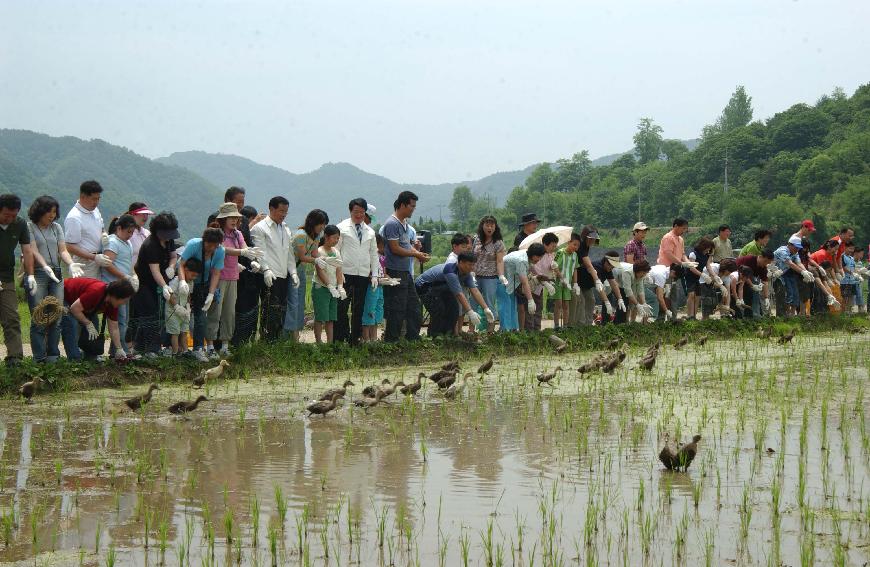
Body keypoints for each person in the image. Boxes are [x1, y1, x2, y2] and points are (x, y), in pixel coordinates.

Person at [25, 196, 82, 363]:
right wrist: (44, 266)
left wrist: (71, 263)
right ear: (39, 211)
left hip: (56, 273)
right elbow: (33, 250)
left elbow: (62, 250)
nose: (52, 215)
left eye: (54, 212)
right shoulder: (30, 227)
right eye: (49, 212)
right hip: (38, 273)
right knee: (39, 316)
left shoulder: (56, 227)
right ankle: (39, 358)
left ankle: (53, 355)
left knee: (56, 315)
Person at [210, 203, 262, 356]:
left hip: (233, 276)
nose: (234, 221)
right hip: (218, 277)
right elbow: (222, 249)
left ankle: (225, 345)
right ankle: (211, 346)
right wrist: (243, 252)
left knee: (229, 312)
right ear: (223, 219)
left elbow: (245, 247)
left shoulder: (237, 234)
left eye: (236, 217)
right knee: (215, 311)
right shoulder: (217, 233)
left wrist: (252, 259)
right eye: (230, 218)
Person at [129, 211, 180, 356]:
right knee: (149, 314)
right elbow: (155, 271)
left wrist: (171, 266)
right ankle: (152, 349)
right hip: (143, 284)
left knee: (155, 314)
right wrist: (164, 286)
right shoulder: (151, 245)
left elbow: (173, 256)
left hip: (158, 282)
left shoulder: (168, 241)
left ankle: (139, 347)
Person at [251, 196, 300, 341]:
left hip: (283, 274)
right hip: (269, 275)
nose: (283, 214)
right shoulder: (260, 228)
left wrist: (293, 272)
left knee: (280, 309)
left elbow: (289, 252)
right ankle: (266, 340)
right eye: (281, 211)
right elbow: (260, 252)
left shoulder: (284, 228)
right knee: (269, 308)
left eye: (286, 211)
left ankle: (276, 339)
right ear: (271, 209)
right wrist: (266, 269)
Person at [382, 191, 429, 342]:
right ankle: (392, 340)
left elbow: (406, 245)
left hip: (405, 271)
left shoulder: (404, 225)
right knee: (397, 307)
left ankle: (412, 338)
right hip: (395, 270)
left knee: (414, 306)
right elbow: (395, 248)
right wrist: (415, 255)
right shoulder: (392, 224)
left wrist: (418, 252)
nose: (413, 209)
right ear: (402, 205)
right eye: (411, 206)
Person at [415, 252, 494, 337]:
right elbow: (459, 294)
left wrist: (486, 309)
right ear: (460, 263)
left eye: (473, 265)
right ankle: (434, 337)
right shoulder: (450, 271)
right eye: (469, 265)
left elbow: (475, 290)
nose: (472, 268)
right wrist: (470, 312)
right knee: (438, 310)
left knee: (454, 310)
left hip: (442, 288)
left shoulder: (467, 274)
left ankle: (449, 335)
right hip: (425, 286)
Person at [60, 278, 135, 361]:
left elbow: (114, 327)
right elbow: (74, 309)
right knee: (71, 325)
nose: (124, 304)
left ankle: (90, 357)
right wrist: (87, 323)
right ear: (116, 296)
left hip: (80, 305)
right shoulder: (96, 291)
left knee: (94, 327)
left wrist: (119, 349)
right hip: (65, 296)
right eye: (124, 301)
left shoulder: (112, 304)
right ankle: (74, 360)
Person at [179, 227, 226, 361]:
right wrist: (183, 282)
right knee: (182, 315)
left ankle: (198, 348)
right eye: (209, 244)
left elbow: (216, 273)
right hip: (187, 282)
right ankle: (177, 349)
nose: (211, 248)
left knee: (201, 317)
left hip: (204, 284)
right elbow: (181, 264)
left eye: (215, 245)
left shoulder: (220, 251)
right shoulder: (194, 245)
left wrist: (211, 294)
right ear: (204, 241)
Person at [335, 198, 378, 345]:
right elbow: (336, 251)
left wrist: (375, 274)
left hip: (362, 274)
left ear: (365, 213)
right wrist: (337, 272)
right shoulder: (341, 228)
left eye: (362, 212)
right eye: (356, 212)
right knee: (342, 306)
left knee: (358, 308)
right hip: (345, 273)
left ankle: (355, 339)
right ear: (350, 211)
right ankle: (340, 338)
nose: (359, 215)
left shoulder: (370, 231)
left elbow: (373, 254)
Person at [0, 194, 35, 366]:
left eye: (13, 215)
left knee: (12, 317)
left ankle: (15, 358)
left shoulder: (19, 224)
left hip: (6, 277)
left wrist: (31, 275)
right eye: (6, 215)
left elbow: (27, 251)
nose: (10, 219)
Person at [286, 209, 328, 341]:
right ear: (313, 222)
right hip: (292, 271)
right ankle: (290, 335)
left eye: (324, 224)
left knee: (300, 303)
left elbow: (315, 254)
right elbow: (302, 257)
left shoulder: (315, 237)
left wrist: (327, 259)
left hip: (301, 272)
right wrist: (316, 260)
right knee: (293, 302)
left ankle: (296, 335)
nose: (322, 227)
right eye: (321, 223)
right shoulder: (300, 235)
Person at [102, 214, 138, 359]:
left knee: (124, 320)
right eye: (128, 231)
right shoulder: (113, 242)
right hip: (115, 287)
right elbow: (108, 264)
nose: (130, 235)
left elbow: (128, 264)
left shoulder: (127, 243)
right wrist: (124, 276)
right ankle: (121, 350)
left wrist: (133, 275)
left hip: (125, 286)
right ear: (119, 228)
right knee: (120, 320)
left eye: (132, 232)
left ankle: (116, 350)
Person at [64, 180, 111, 278]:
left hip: (100, 259)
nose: (96, 202)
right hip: (84, 263)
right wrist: (94, 257)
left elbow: (101, 228)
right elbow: (70, 246)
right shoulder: (74, 217)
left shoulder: (95, 210)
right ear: (83, 196)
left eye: (98, 199)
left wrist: (104, 234)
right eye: (93, 199)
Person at [470, 216, 507, 333]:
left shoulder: (498, 243)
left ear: (495, 227)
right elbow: (472, 256)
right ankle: (471, 331)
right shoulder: (476, 239)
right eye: (487, 225)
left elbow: (500, 261)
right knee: (472, 304)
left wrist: (501, 275)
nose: (489, 227)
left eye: (492, 225)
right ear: (482, 226)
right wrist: (471, 271)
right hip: (475, 277)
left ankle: (490, 332)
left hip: (490, 278)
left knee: (489, 304)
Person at [233, 204, 261, 345]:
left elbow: (247, 244)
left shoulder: (242, 225)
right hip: (231, 275)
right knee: (234, 310)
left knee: (249, 307)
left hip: (247, 276)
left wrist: (254, 261)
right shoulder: (225, 232)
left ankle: (246, 340)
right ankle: (232, 342)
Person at [501, 243, 546, 331]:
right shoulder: (522, 260)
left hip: (511, 280)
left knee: (513, 308)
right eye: (538, 257)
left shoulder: (527, 254)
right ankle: (505, 331)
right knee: (507, 307)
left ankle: (513, 330)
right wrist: (530, 300)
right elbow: (525, 282)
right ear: (533, 255)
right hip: (503, 280)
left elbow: (532, 269)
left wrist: (544, 282)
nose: (539, 260)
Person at [312, 225, 344, 344]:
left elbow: (339, 270)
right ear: (326, 236)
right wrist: (330, 286)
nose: (336, 241)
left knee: (331, 318)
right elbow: (320, 272)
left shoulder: (336, 251)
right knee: (321, 317)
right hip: (322, 288)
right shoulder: (319, 251)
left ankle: (329, 343)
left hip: (334, 289)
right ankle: (319, 342)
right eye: (334, 238)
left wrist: (340, 286)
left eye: (338, 238)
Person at [165, 257, 200, 356]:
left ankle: (185, 351)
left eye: (195, 276)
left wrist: (188, 307)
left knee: (184, 331)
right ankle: (176, 353)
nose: (193, 278)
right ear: (185, 270)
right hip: (172, 310)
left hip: (184, 311)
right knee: (175, 332)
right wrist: (176, 306)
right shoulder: (175, 281)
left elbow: (189, 295)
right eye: (192, 275)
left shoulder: (190, 283)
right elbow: (169, 294)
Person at [525, 233, 560, 331]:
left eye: (555, 246)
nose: (554, 248)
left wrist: (551, 276)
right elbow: (535, 269)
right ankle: (530, 331)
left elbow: (549, 270)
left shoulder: (550, 255)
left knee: (539, 309)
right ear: (545, 244)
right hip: (533, 285)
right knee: (532, 309)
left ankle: (537, 330)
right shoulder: (539, 254)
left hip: (541, 286)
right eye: (553, 246)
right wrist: (545, 282)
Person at [571, 225, 605, 326]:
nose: (592, 241)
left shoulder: (587, 246)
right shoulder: (580, 246)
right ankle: (580, 325)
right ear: (585, 236)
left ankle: (588, 323)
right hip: (575, 278)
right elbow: (589, 266)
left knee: (591, 299)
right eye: (590, 238)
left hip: (584, 279)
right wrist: (597, 280)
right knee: (580, 301)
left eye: (594, 239)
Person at [772, 236, 812, 317]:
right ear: (790, 245)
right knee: (785, 294)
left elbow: (799, 263)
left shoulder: (795, 252)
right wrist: (802, 273)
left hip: (784, 274)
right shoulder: (783, 251)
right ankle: (784, 315)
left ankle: (792, 314)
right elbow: (790, 263)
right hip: (775, 275)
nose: (797, 249)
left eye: (798, 248)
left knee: (795, 294)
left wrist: (806, 271)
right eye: (796, 247)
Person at [362, 234, 387, 342]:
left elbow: (384, 273)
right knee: (369, 310)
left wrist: (389, 279)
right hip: (371, 287)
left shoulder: (381, 258)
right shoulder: (367, 257)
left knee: (377, 310)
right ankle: (366, 338)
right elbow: (366, 273)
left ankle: (374, 337)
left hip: (380, 287)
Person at [553, 233, 580, 329]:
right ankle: (556, 325)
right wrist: (561, 278)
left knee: (566, 305)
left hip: (568, 284)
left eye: (578, 246)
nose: (576, 247)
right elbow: (554, 266)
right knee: (559, 304)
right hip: (559, 282)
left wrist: (575, 283)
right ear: (569, 242)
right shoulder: (560, 252)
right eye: (574, 244)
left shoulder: (575, 255)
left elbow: (575, 269)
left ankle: (565, 326)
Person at [685, 237, 716, 320]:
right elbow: (691, 268)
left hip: (697, 277)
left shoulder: (706, 255)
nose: (708, 250)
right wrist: (703, 275)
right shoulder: (693, 254)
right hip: (689, 276)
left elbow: (708, 266)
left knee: (698, 296)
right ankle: (690, 315)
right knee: (691, 295)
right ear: (703, 246)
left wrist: (714, 275)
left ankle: (694, 316)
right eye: (708, 247)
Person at [592, 252, 626, 325]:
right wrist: (607, 302)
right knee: (584, 303)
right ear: (606, 262)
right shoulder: (598, 267)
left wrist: (620, 299)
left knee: (590, 301)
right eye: (612, 266)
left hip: (589, 287)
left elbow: (613, 284)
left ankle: (586, 326)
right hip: (579, 285)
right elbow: (600, 287)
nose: (612, 268)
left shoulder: (608, 269)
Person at [736, 251, 773, 316]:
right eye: (765, 261)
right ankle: (738, 316)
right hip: (737, 276)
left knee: (752, 293)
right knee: (747, 292)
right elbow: (744, 275)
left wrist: (766, 298)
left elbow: (765, 282)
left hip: (746, 278)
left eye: (768, 263)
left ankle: (750, 316)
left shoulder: (763, 267)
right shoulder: (749, 259)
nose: (766, 264)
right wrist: (752, 285)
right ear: (760, 257)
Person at [840, 243, 861, 313]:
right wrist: (852, 273)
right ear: (845, 248)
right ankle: (843, 313)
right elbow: (843, 267)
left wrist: (858, 275)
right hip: (844, 281)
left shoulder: (852, 258)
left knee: (851, 297)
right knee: (844, 297)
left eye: (852, 249)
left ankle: (849, 312)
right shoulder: (842, 256)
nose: (851, 251)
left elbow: (853, 268)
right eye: (850, 248)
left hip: (852, 281)